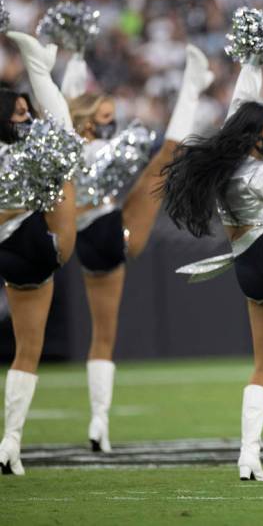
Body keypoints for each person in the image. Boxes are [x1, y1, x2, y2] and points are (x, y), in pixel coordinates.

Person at [162, 39, 263, 482]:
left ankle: (248, 455)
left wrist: (252, 62)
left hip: (249, 269)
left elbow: (239, 109)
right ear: (253, 136)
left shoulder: (225, 168)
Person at [59, 43, 214, 452]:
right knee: (167, 156)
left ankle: (98, 424)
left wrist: (74, 63)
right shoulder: (87, 151)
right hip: (111, 238)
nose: (112, 124)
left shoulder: (64, 150)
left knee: (101, 337)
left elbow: (67, 108)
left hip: (92, 237)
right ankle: (193, 87)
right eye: (105, 119)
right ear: (88, 121)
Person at [0, 31, 77, 476]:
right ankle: (40, 66)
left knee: (27, 347)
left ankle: (11, 443)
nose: (27, 120)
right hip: (33, 246)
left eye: (29, 111)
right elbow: (62, 134)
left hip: (16, 251)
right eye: (21, 113)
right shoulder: (25, 151)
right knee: (65, 139)